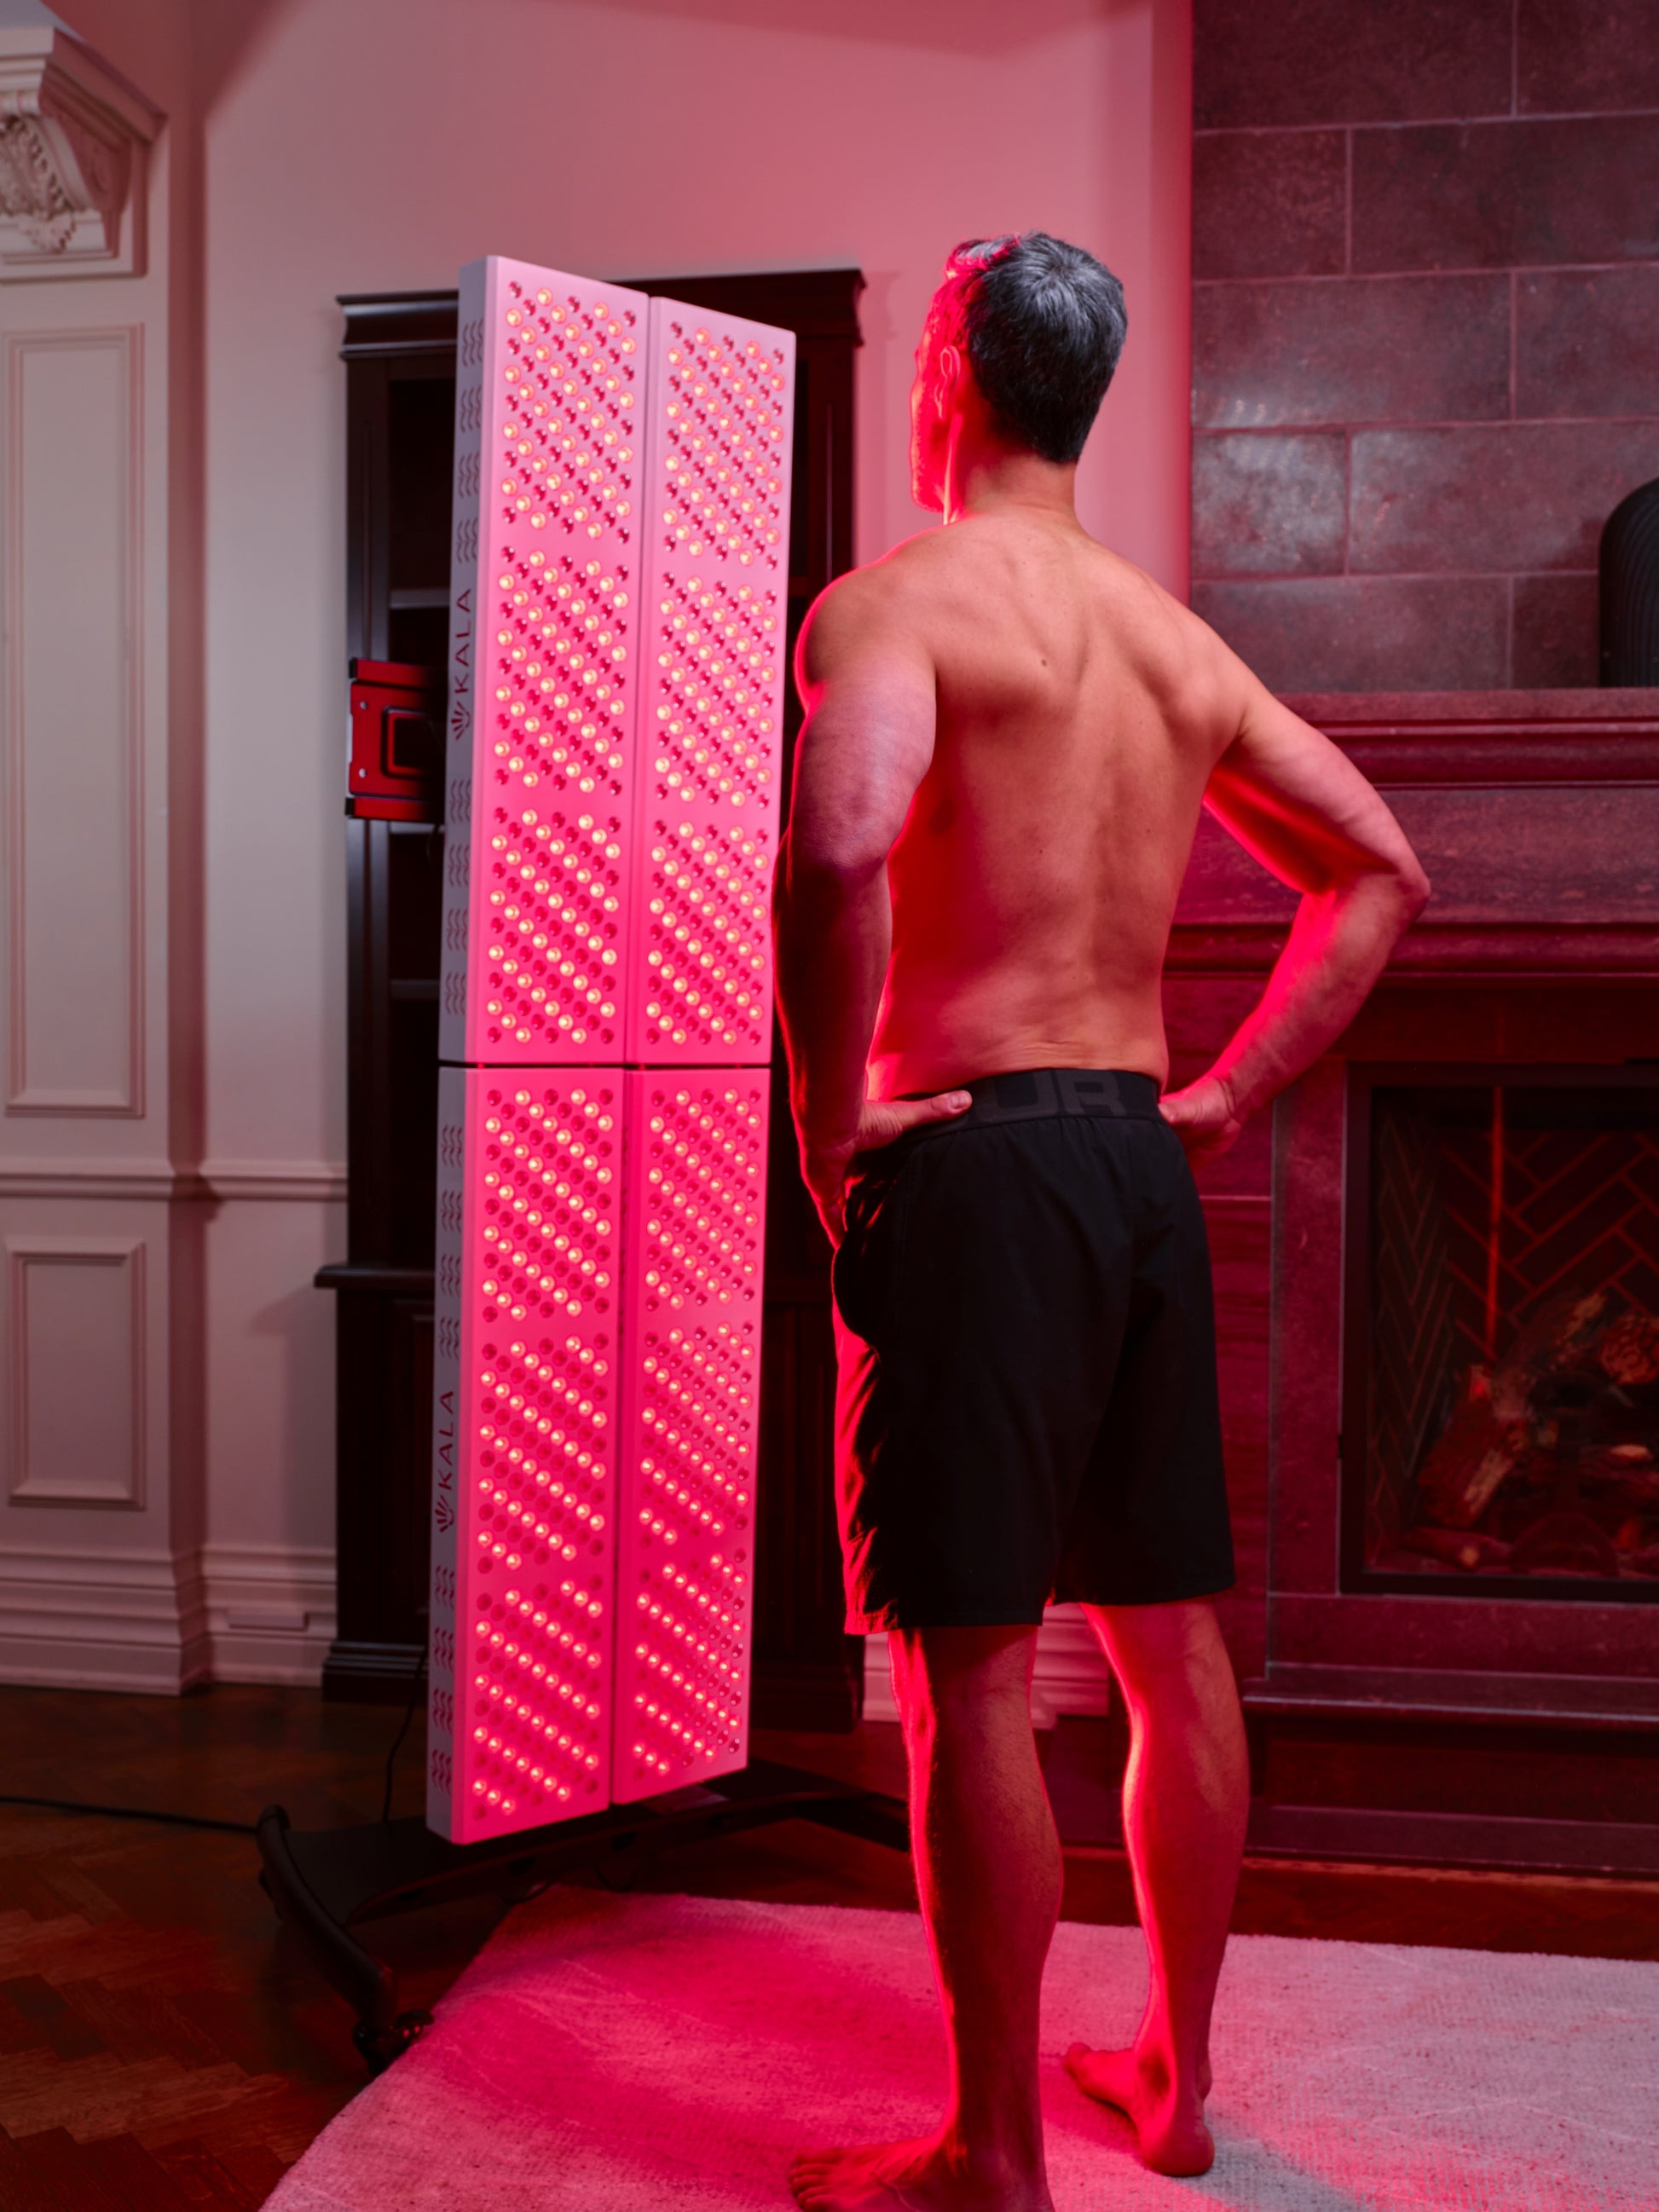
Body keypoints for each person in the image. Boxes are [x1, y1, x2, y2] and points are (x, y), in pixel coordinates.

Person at [772, 233, 1429, 2212]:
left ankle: (989, 2151)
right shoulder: (1171, 643)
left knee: (972, 1667)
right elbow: (1378, 868)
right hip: (1133, 1159)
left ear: (948, 374)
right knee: (1167, 1643)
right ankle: (1176, 2080)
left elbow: (837, 838)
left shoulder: (891, 607)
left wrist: (831, 1122)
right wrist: (1220, 1093)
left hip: (975, 1162)